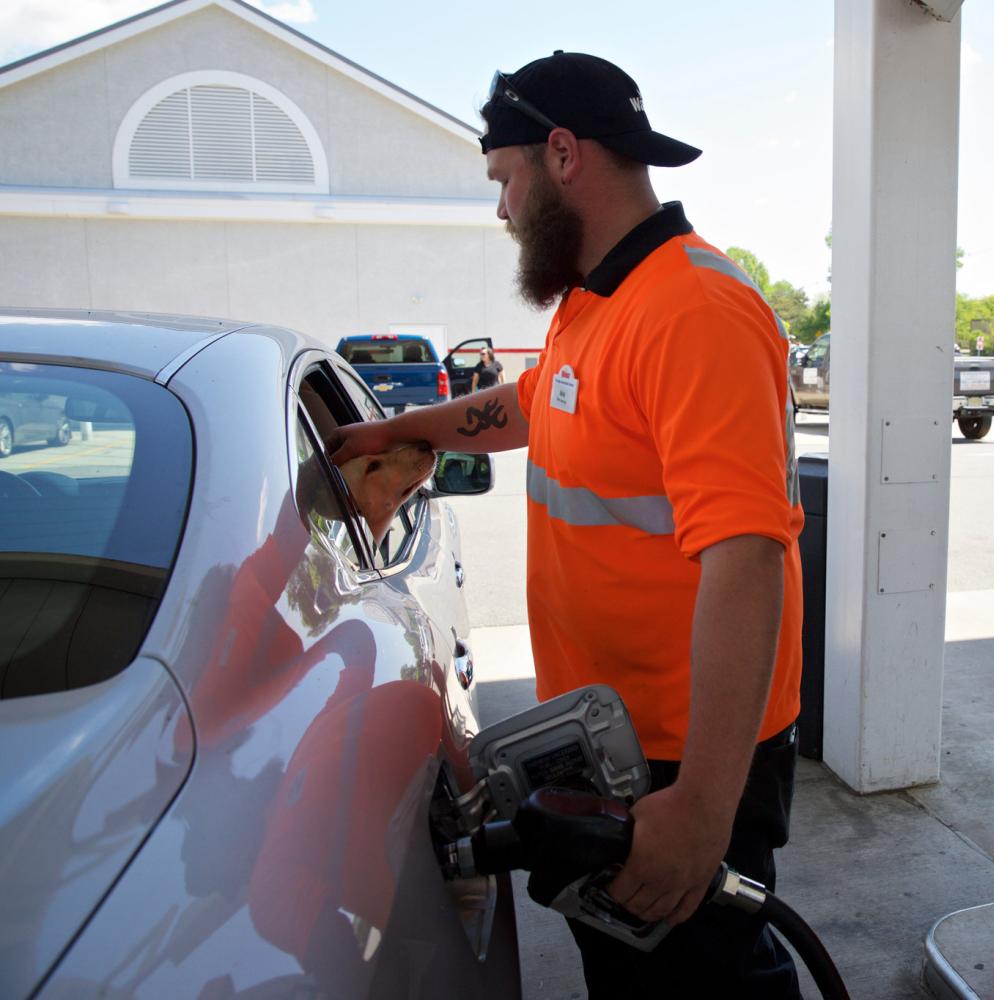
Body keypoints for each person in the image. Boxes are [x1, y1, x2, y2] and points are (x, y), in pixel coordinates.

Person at [328, 50, 805, 999]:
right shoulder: (597, 301)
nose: (502, 209)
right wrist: (391, 431)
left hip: (686, 754)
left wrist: (702, 810)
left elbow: (747, 559)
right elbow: (534, 406)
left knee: (701, 980)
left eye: (504, 179)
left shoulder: (694, 307)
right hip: (613, 736)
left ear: (561, 154)